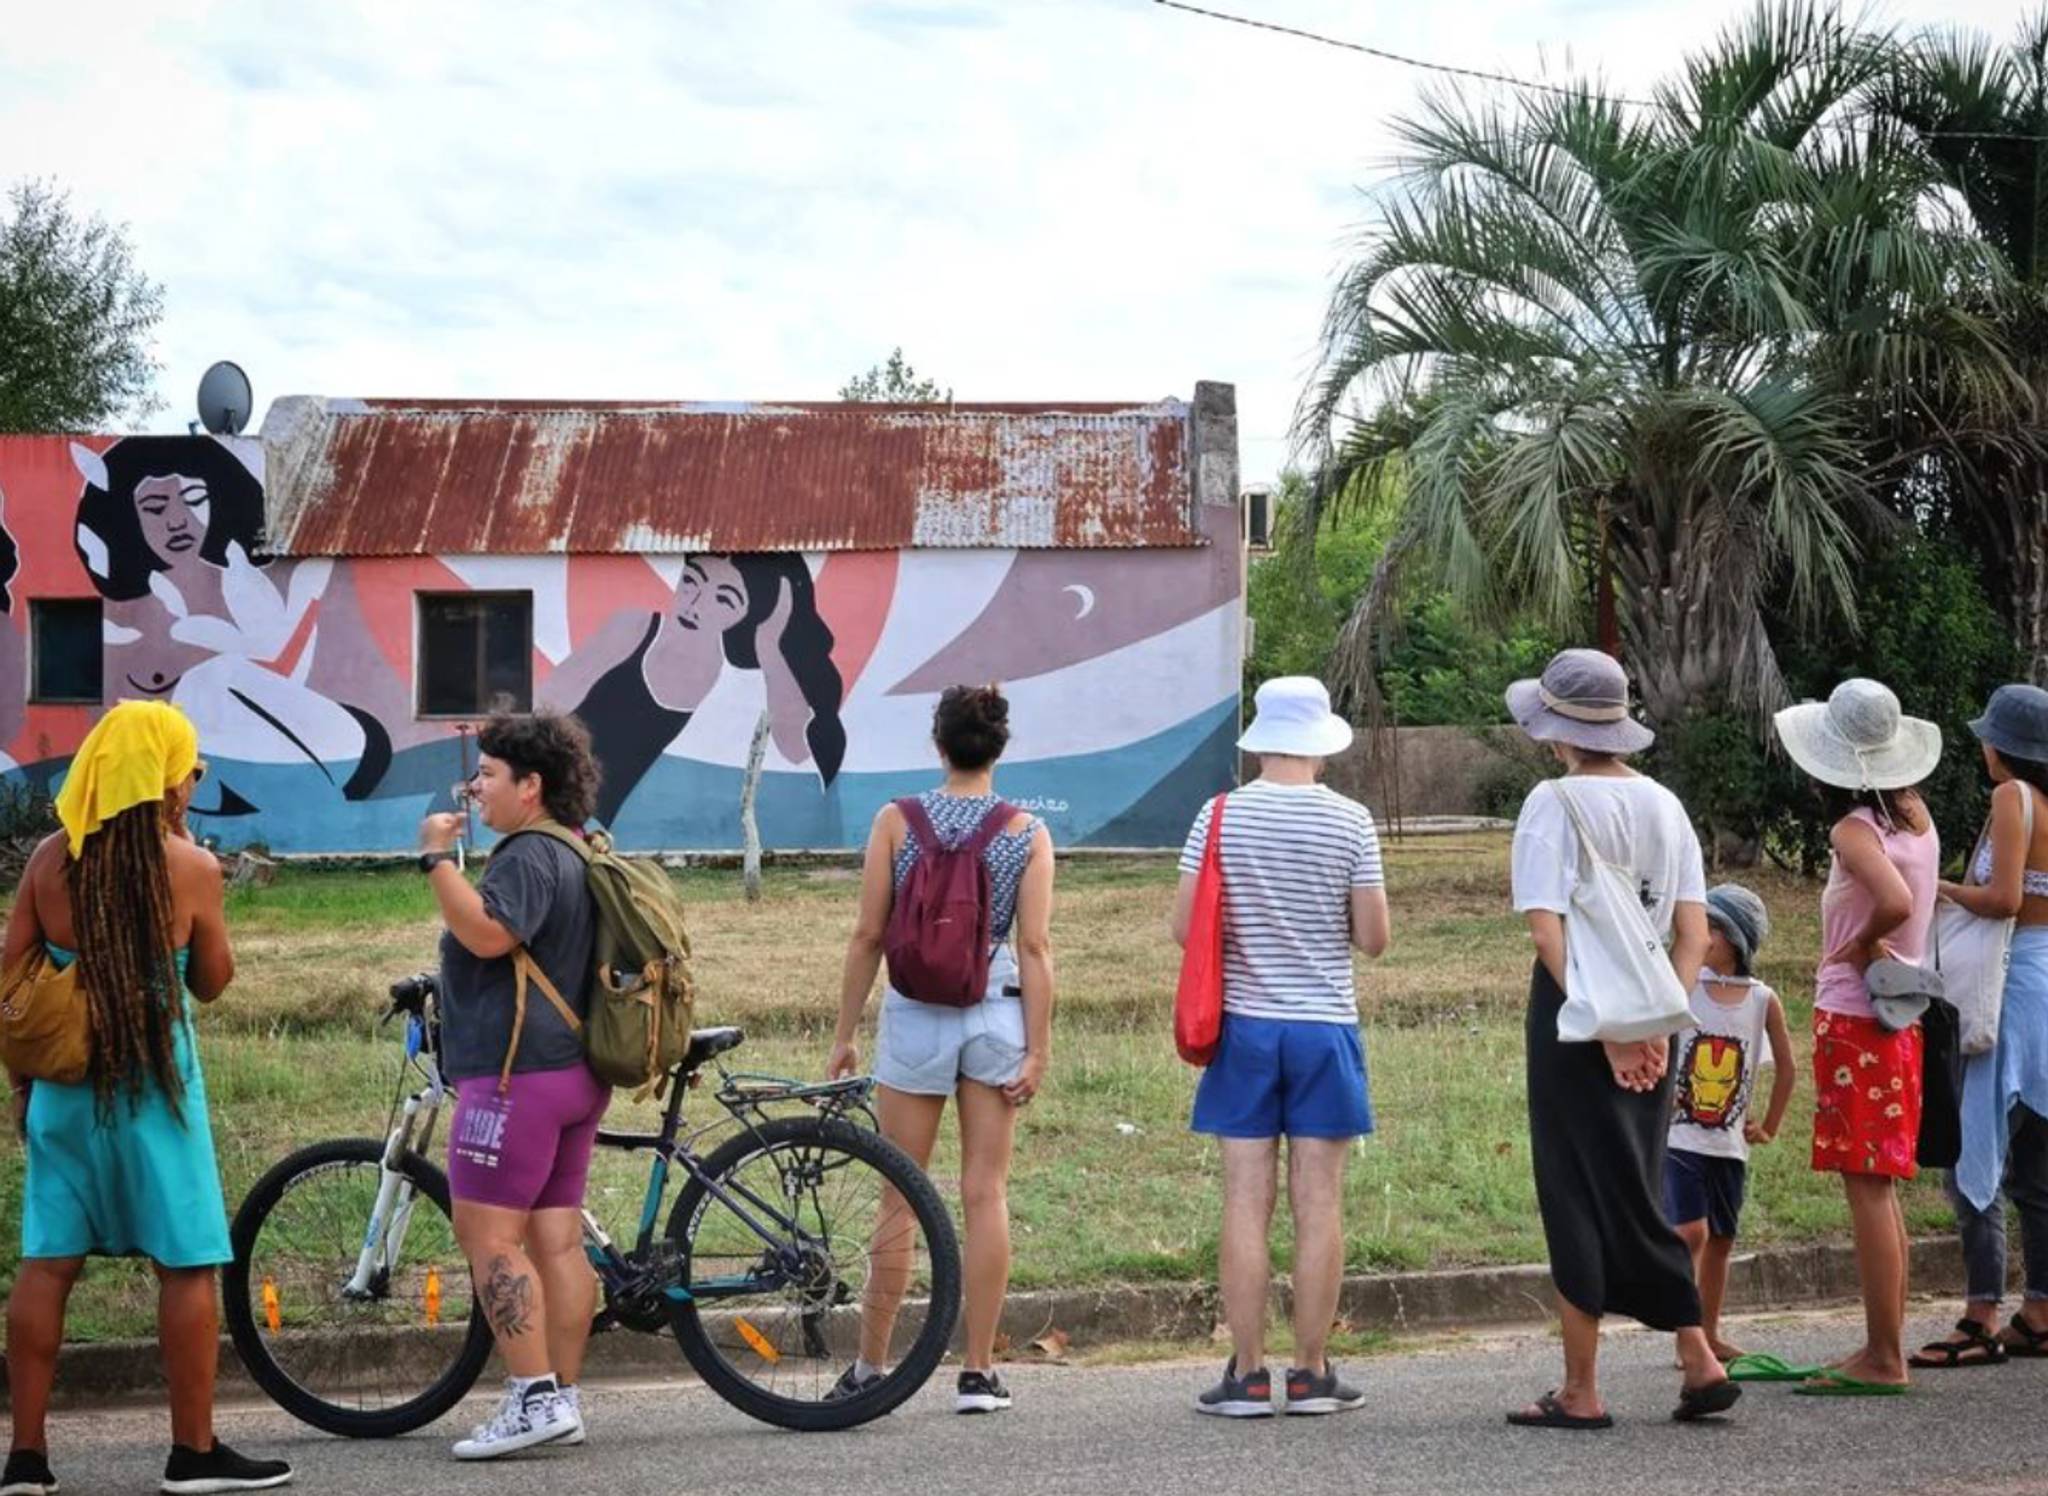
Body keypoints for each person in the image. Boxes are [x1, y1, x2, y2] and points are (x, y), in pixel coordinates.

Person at [3, 701, 292, 1495]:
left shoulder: (48, 859)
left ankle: (26, 1457)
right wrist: (197, 866)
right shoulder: (189, 867)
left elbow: (11, 980)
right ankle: (192, 1453)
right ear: (166, 776)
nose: (194, 781)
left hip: (63, 1091)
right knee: (187, 1264)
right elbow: (210, 983)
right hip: (156, 1091)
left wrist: (22, 1088)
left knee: (48, 1265)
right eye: (190, 768)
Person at [1504, 648, 1737, 1430]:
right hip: (1655, 1021)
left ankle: (1581, 1389)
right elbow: (1695, 933)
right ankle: (1697, 1357)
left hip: (1575, 1022)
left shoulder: (1551, 802)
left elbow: (1547, 933)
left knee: (1574, 1192)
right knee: (1636, 1184)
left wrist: (1602, 1027)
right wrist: (1657, 1029)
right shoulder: (1666, 807)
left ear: (1556, 729)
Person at [827, 683, 1053, 1415]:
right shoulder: (1026, 831)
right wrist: (1037, 1052)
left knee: (899, 1194)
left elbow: (867, 934)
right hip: (994, 1013)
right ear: (1000, 748)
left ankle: (870, 1367)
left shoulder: (898, 822)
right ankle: (979, 1371)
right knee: (984, 1192)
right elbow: (1036, 947)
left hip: (915, 1013)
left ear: (939, 745)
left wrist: (844, 1034)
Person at [1175, 676, 1389, 1419]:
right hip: (1325, 1027)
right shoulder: (1352, 822)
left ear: (1261, 741)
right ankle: (1310, 1372)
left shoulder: (1219, 815)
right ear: (1322, 745)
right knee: (1319, 1200)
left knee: (1245, 1198)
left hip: (1244, 1027)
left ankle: (1244, 1374)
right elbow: (1373, 938)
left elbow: (1185, 928)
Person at [418, 710, 607, 1459]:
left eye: (490, 774)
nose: (477, 786)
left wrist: (437, 860)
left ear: (531, 786)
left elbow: (490, 934)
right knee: (556, 1241)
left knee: (489, 1236)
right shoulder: (576, 847)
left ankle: (531, 1398)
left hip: (514, 1078)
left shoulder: (527, 855)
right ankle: (560, 1396)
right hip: (571, 1074)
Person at [1773, 677, 1943, 1394]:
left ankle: (1883, 1357)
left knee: (1866, 1189)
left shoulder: (1852, 831)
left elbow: (1896, 903)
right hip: (1900, 1016)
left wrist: (1857, 944)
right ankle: (1885, 1345)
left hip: (1856, 1016)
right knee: (1883, 1185)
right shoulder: (1915, 818)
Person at [1913, 683, 2048, 1368]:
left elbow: (2001, 899)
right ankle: (2039, 1313)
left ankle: (1980, 1315)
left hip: (2012, 987)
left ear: (2001, 748)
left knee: (1977, 1151)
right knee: (2036, 1162)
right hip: (2045, 981)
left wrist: (1939, 891)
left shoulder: (2010, 798)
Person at [1662, 883, 1795, 1362]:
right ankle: (1687, 1335)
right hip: (1679, 1138)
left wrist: (1771, 1125)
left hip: (1730, 1147)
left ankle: (1709, 1332)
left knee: (1721, 1240)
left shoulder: (1763, 999)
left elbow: (1787, 1067)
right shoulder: (1684, 984)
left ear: (1734, 939)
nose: (1699, 934)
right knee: (1691, 1232)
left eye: (1710, 927)